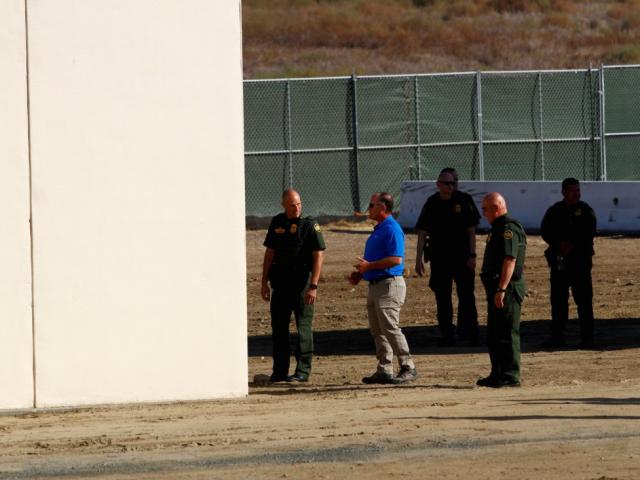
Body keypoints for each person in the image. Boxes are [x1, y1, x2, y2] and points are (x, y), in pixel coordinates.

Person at [349, 192, 417, 385]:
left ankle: (408, 366)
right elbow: (375, 261)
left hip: (389, 285)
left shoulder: (392, 228)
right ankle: (385, 369)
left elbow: (396, 259)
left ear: (383, 207)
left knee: (390, 328)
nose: (368, 209)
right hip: (377, 285)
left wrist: (368, 266)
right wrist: (361, 273)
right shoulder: (379, 229)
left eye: (372, 205)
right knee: (378, 330)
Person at [261, 189, 325, 383]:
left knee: (303, 328)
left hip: (302, 285)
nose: (297, 208)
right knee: (279, 328)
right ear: (283, 205)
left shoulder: (309, 224)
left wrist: (313, 286)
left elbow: (318, 255)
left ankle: (302, 371)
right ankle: (279, 371)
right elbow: (270, 253)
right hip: (280, 284)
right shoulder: (277, 222)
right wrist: (264, 282)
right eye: (292, 205)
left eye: (299, 204)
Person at [415, 169, 480, 346]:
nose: (451, 186)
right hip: (440, 259)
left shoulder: (464, 200)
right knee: (442, 297)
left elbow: (471, 231)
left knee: (466, 296)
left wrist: (473, 255)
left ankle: (469, 332)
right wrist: (418, 259)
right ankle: (447, 334)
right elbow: (422, 232)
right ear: (438, 184)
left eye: (453, 183)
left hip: (462, 257)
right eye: (447, 183)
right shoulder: (432, 202)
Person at [477, 193, 526, 388]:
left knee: (507, 331)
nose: (483, 213)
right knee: (495, 332)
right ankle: (497, 373)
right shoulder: (497, 228)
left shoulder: (508, 228)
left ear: (496, 208)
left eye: (485, 209)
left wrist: (502, 288)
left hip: (507, 288)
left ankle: (510, 375)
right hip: (497, 287)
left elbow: (510, 259)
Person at [540, 178, 597, 348]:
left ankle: (587, 338)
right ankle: (557, 337)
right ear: (564, 192)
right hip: (560, 262)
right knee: (558, 301)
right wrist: (559, 244)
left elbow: (589, 231)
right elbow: (545, 231)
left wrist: (572, 244)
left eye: (577, 190)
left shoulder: (586, 210)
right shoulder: (555, 210)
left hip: (580, 262)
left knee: (584, 300)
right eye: (572, 191)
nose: (576, 194)